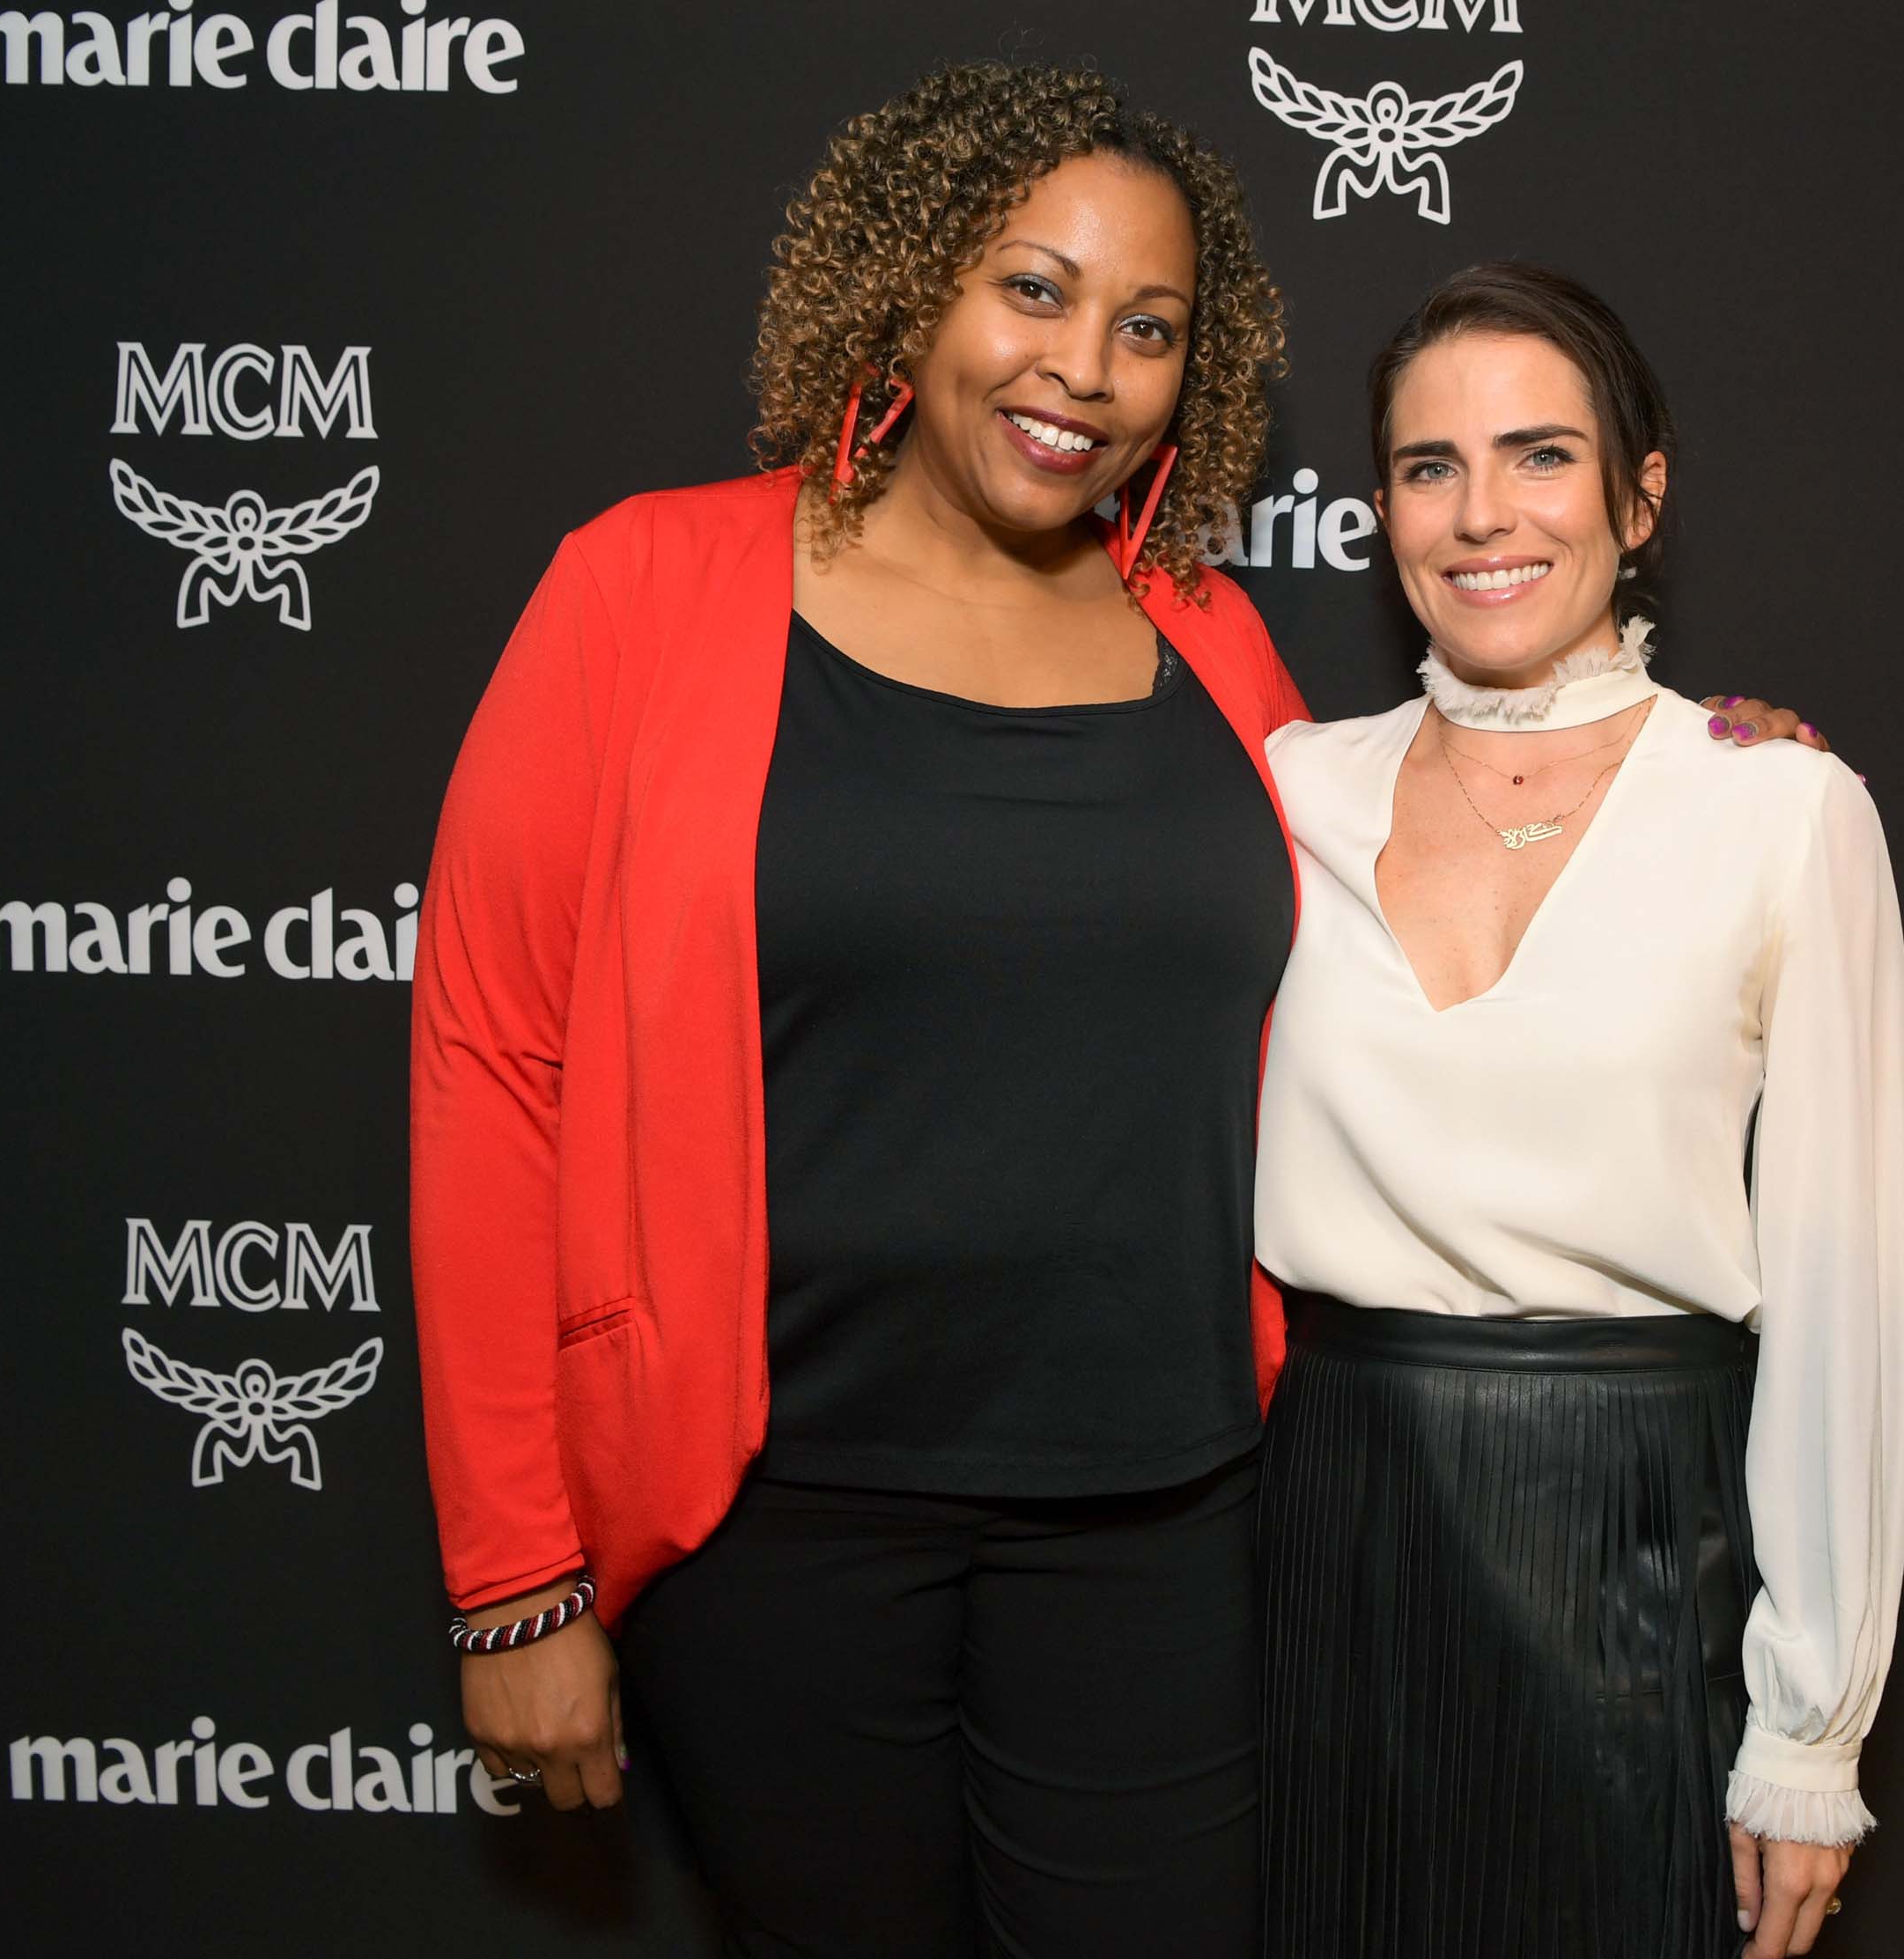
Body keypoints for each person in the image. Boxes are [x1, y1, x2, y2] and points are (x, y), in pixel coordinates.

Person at [410, 60, 1827, 1955]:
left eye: (1147, 327)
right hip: (778, 1526)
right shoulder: (643, 590)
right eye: (1033, 290)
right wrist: (516, 1586)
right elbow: (497, 1070)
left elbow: (1434, 825)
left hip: (1170, 1522)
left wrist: (1693, 764)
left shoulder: (1205, 636)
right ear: (911, 284)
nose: (1083, 366)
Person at [1253, 262, 1904, 1959]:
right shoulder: (1285, 787)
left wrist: (1811, 1728)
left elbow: (1845, 1281)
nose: (1485, 514)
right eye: (1427, 466)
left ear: (1641, 493)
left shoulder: (1780, 805)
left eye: (1542, 455)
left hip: (1638, 1541)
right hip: (1317, 1529)